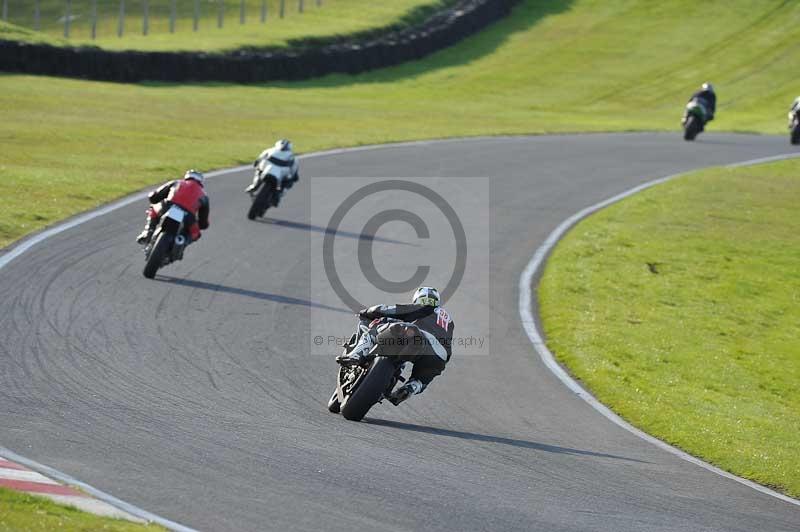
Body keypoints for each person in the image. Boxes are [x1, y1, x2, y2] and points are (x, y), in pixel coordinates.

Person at [336, 286, 455, 405]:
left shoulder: (426, 307)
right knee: (422, 378)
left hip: (419, 337)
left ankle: (356, 355)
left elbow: (395, 310)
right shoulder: (449, 322)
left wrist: (369, 312)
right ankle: (410, 388)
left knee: (378, 325)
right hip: (441, 356)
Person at [136, 169, 210, 245]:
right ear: (200, 182)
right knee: (196, 233)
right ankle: (182, 241)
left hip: (169, 207)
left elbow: (153, 197)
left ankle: (148, 232)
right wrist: (200, 224)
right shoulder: (204, 196)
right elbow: (203, 223)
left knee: (154, 207)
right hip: (188, 216)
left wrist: (153, 196)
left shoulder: (177, 182)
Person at [245, 139, 299, 206]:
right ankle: (276, 195)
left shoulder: (270, 150)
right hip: (270, 172)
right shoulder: (292, 156)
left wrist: (257, 163)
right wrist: (294, 176)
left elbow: (260, 158)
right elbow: (294, 169)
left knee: (259, 171)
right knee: (288, 182)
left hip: (273, 173)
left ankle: (255, 187)